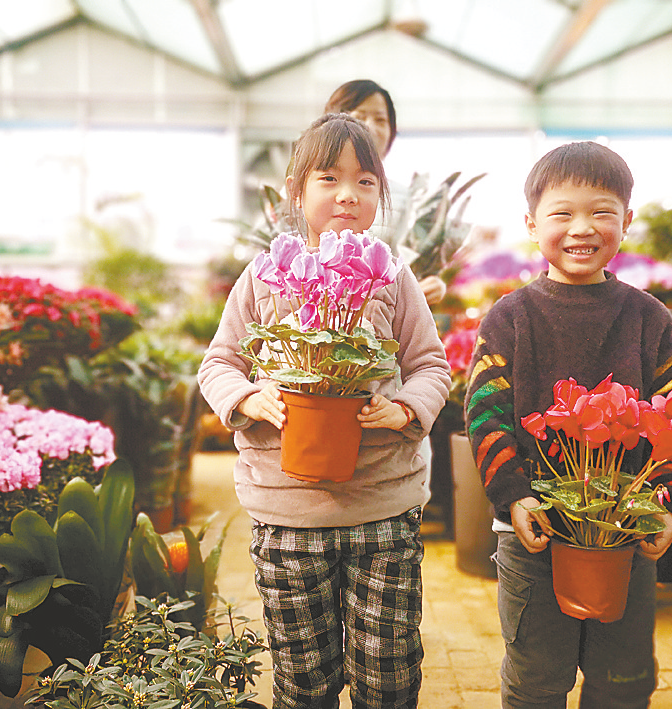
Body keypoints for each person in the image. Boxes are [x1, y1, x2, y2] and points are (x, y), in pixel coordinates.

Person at [198, 113, 450, 709]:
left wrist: (406, 409)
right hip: (286, 511)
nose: (347, 194)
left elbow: (431, 367)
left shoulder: (391, 275)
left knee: (388, 676)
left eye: (366, 182)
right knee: (302, 680)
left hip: (382, 507)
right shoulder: (264, 276)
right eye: (328, 178)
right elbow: (218, 364)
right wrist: (246, 397)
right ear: (296, 190)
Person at [464, 141, 672, 708]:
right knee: (535, 680)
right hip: (534, 534)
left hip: (626, 537)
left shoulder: (647, 318)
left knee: (622, 681)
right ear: (531, 223)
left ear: (626, 221)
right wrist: (515, 498)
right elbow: (485, 413)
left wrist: (670, 508)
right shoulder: (510, 318)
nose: (582, 228)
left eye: (602, 212)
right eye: (562, 213)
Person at [323, 79, 446, 305]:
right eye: (359, 117)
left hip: (381, 325)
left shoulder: (406, 198)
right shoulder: (309, 190)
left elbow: (410, 269)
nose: (370, 127)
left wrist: (431, 284)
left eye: (380, 119)